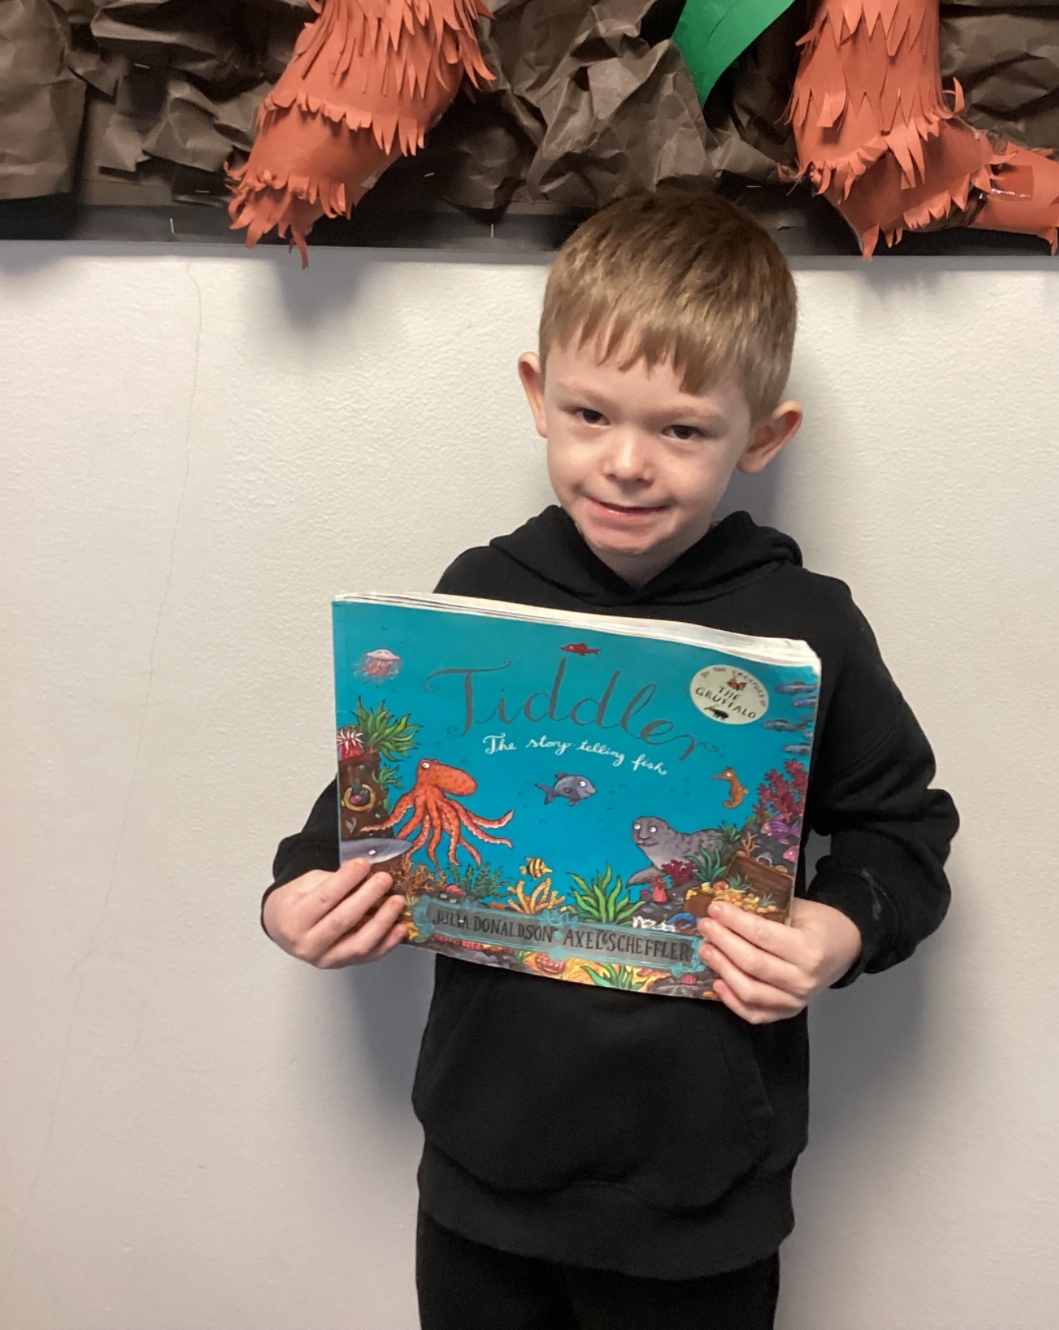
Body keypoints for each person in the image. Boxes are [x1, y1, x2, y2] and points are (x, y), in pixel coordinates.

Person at [262, 189, 959, 1330]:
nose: (627, 463)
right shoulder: (478, 597)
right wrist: (296, 892)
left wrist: (839, 931)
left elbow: (904, 830)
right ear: (537, 397)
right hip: (484, 1166)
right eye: (590, 414)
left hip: (705, 1189)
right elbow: (368, 793)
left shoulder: (807, 627)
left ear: (762, 437)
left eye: (682, 430)